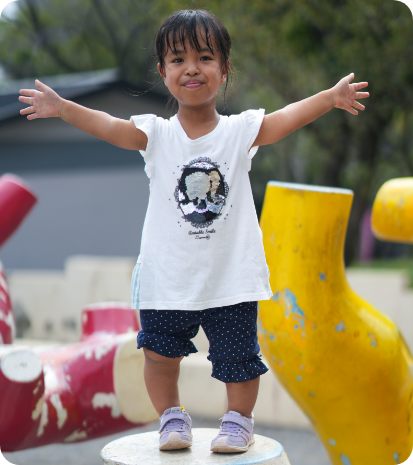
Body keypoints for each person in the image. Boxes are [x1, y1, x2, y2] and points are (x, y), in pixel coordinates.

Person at [18, 8, 369, 454]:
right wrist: (63, 108)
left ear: (224, 70)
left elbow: (287, 117)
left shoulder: (240, 131)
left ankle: (238, 421)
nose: (192, 68)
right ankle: (171, 418)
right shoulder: (157, 135)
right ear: (163, 72)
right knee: (159, 356)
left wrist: (329, 97)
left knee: (239, 362)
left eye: (205, 57)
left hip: (231, 279)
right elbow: (108, 127)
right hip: (168, 279)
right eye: (178, 59)